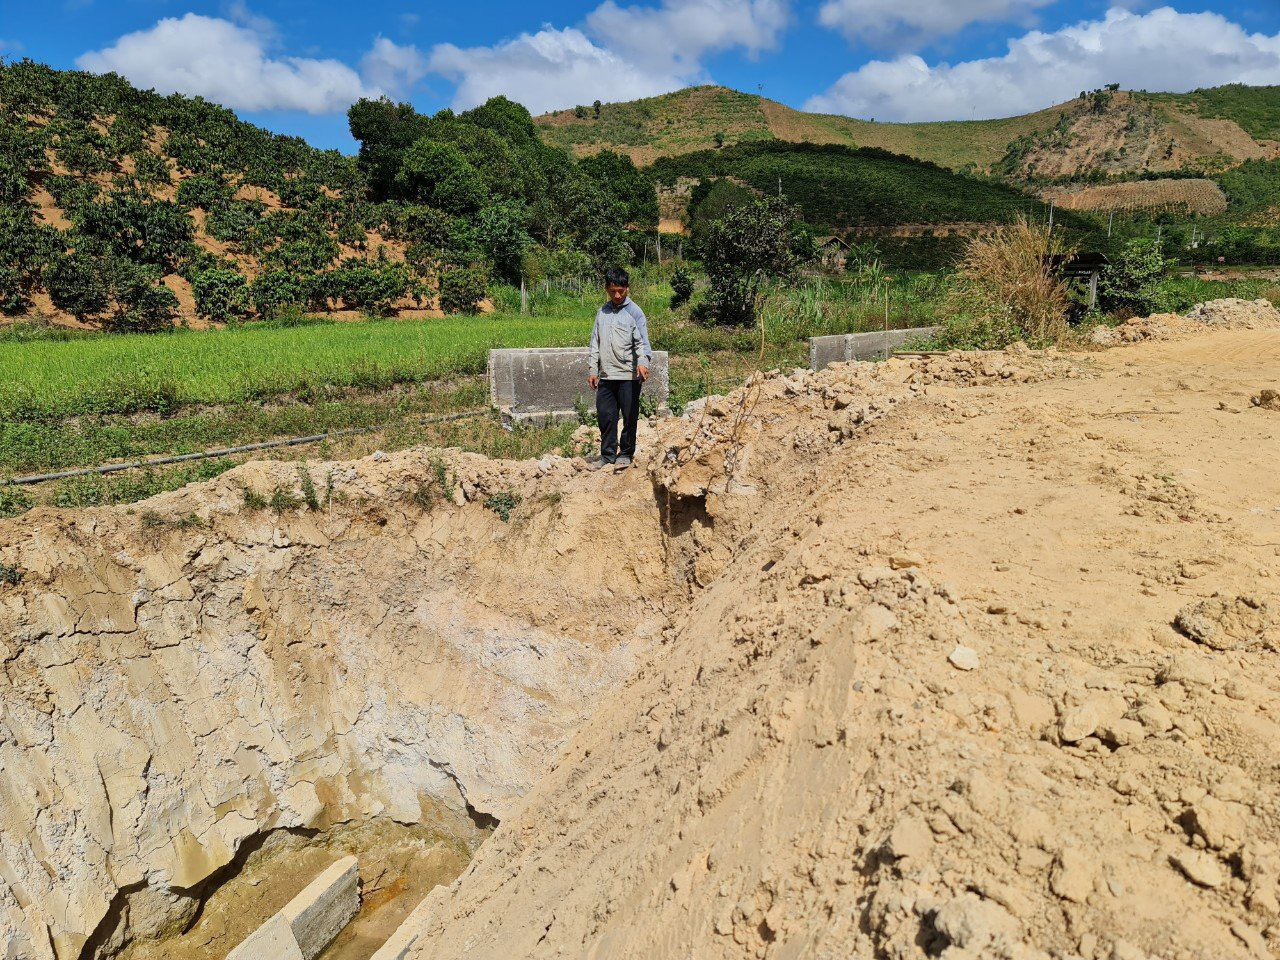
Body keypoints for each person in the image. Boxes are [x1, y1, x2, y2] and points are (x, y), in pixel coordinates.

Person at [587, 267, 653, 470]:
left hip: (628, 376)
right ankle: (607, 456)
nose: (617, 295)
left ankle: (625, 453)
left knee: (629, 416)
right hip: (607, 376)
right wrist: (592, 369)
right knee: (606, 417)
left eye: (621, 291)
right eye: (612, 291)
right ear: (607, 288)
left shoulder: (635, 313)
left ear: (627, 289)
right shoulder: (602, 312)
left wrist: (643, 362)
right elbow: (595, 343)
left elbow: (643, 343)